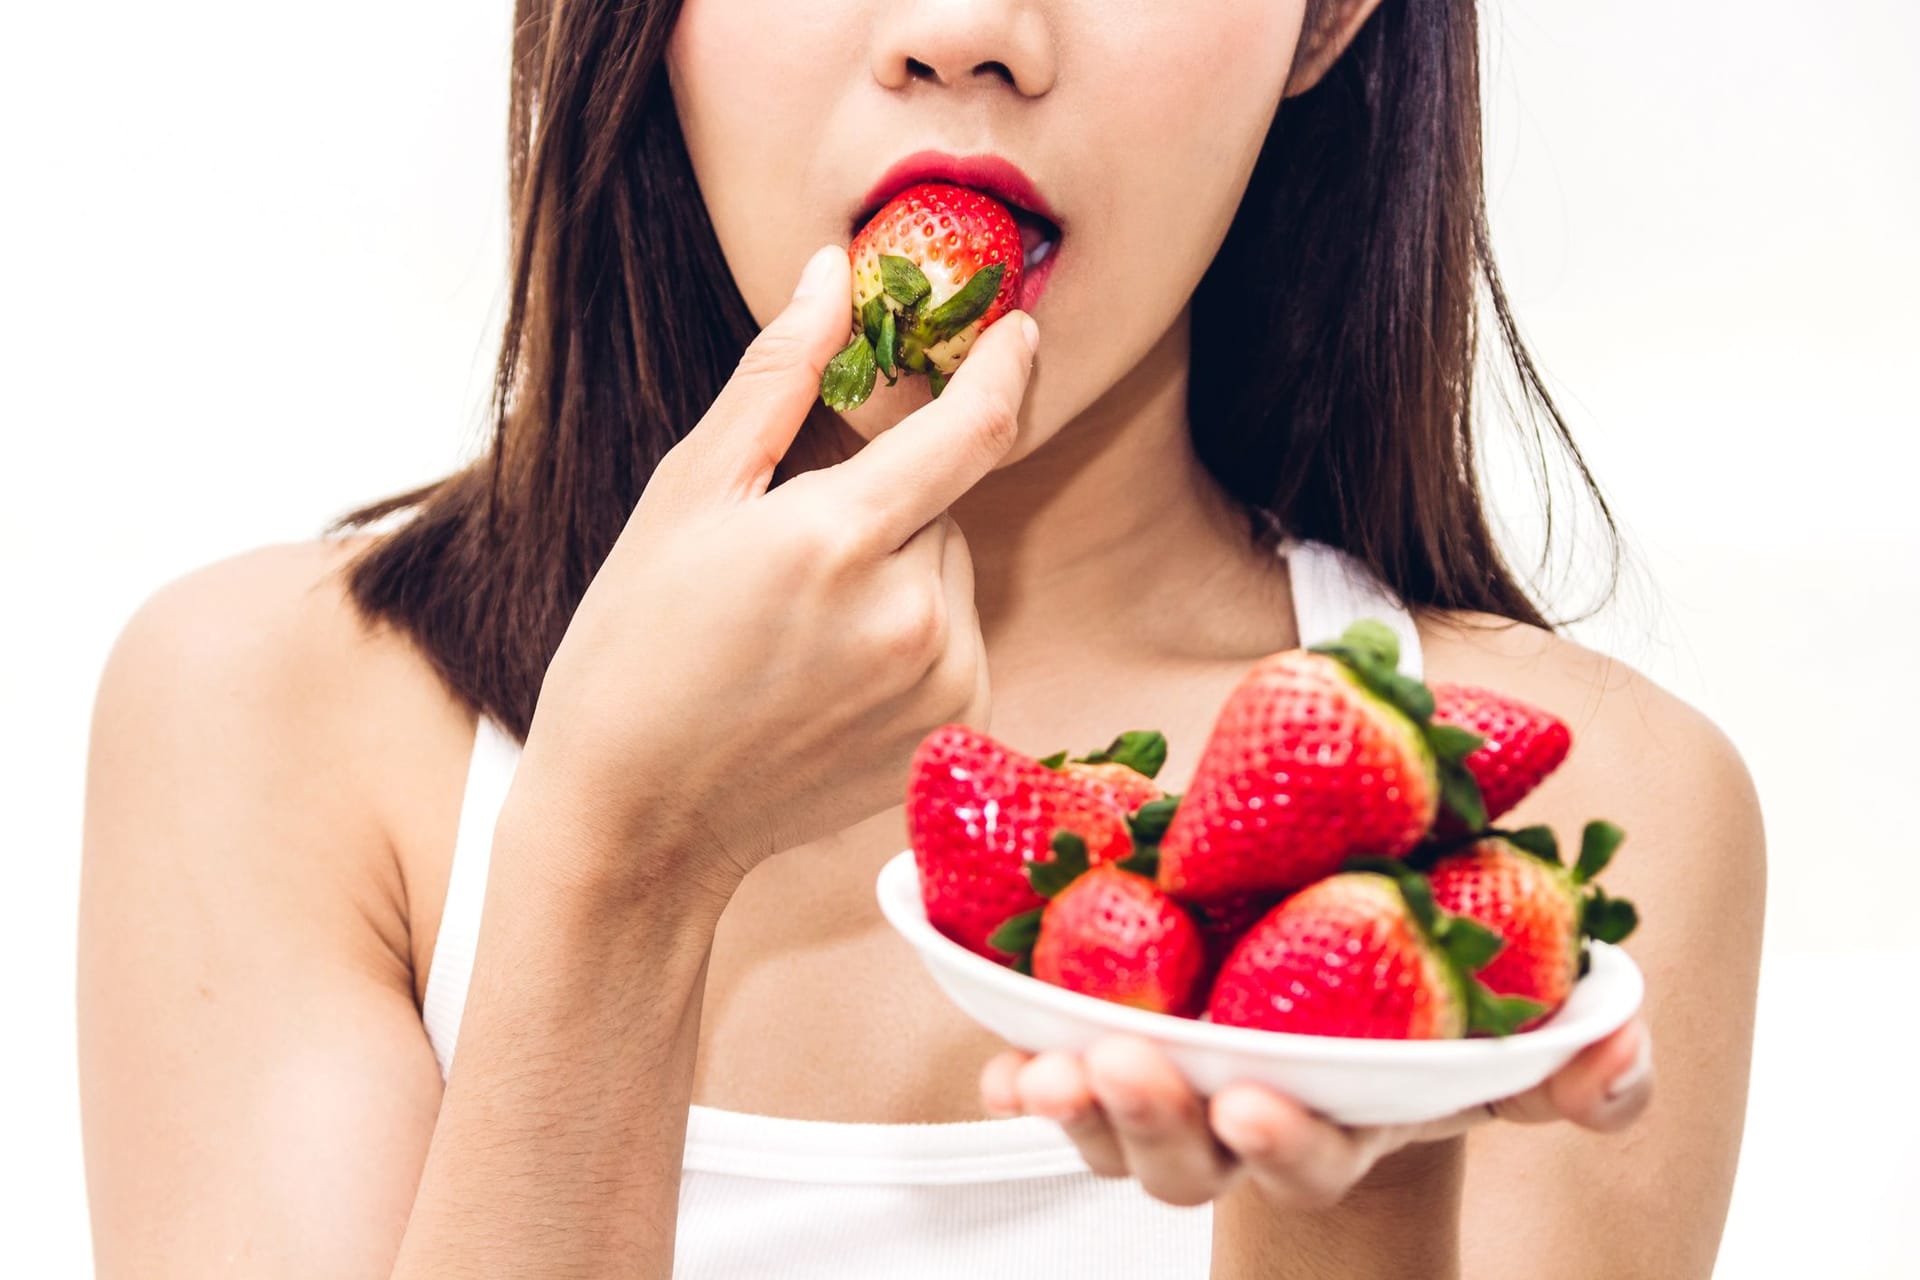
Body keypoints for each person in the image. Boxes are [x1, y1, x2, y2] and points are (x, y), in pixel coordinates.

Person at [76, 1, 1765, 1276]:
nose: (968, 34)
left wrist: (1371, 1171)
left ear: (1327, 17)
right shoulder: (271, 723)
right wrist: (615, 866)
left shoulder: (1540, 831)